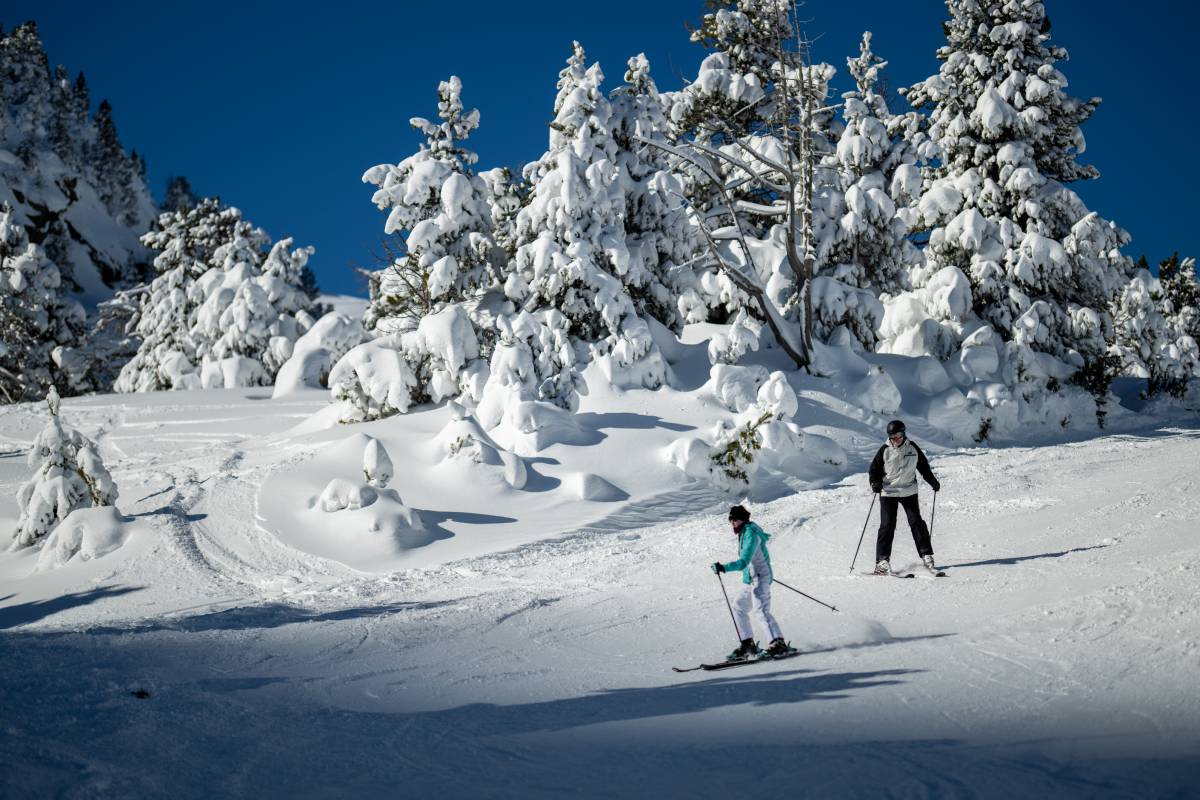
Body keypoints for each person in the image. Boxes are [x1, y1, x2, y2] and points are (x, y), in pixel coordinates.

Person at [711, 505, 790, 660]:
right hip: (752, 580)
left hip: (760, 578)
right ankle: (748, 644)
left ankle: (778, 643)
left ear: (742, 519)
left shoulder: (751, 534)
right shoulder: (743, 532)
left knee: (760, 610)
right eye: (730, 519)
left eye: (734, 519)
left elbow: (743, 562)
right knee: (739, 607)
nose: (732, 522)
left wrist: (723, 567)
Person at [868, 419, 941, 575]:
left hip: (909, 491)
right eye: (892, 437)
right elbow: (873, 470)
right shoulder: (884, 450)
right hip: (888, 492)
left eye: (898, 435)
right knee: (887, 525)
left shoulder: (913, 448)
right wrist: (875, 483)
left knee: (917, 522)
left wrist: (932, 481)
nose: (896, 439)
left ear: (904, 434)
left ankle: (926, 555)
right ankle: (882, 562)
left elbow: (923, 467)